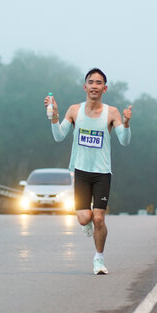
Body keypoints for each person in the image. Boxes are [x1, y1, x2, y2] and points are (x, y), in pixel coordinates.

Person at [45, 68, 132, 275]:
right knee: (85, 218)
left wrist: (127, 123)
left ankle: (99, 259)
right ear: (85, 87)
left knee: (99, 218)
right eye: (91, 82)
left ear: (105, 88)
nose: (94, 86)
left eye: (99, 83)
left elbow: (124, 141)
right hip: (81, 172)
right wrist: (54, 117)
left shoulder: (112, 112)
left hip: (102, 173)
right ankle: (87, 224)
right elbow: (59, 136)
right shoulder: (75, 110)